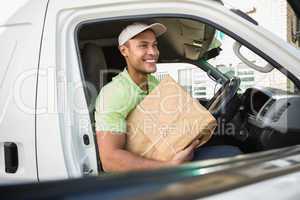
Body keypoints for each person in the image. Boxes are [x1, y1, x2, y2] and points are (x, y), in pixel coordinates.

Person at [94, 22, 241, 172]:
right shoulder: (113, 94)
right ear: (124, 50)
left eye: (155, 45)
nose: (153, 52)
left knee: (229, 150)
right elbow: (110, 160)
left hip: (169, 154)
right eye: (143, 45)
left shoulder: (153, 82)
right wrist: (168, 167)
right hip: (148, 173)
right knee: (233, 156)